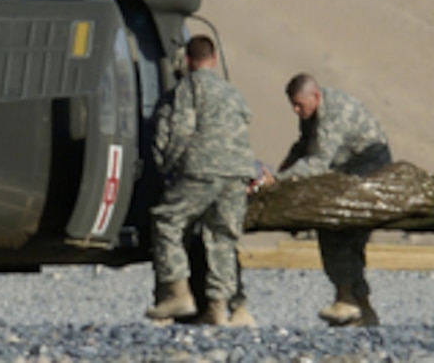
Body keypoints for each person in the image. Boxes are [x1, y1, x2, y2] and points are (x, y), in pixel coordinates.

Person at [255, 73, 392, 327]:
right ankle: (358, 306)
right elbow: (305, 145)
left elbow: (318, 162)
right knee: (341, 232)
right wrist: (282, 169)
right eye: (293, 106)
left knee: (334, 225)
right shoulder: (312, 114)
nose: (296, 111)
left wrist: (280, 181)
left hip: (367, 170)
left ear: (315, 96)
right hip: (346, 169)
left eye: (300, 105)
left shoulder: (333, 114)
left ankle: (348, 298)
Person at [145, 35, 255, 326]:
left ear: (188, 61)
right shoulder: (233, 92)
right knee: (221, 237)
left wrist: (168, 165)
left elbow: (181, 129)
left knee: (167, 220)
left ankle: (177, 293)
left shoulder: (189, 86)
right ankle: (220, 309)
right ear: (214, 59)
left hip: (202, 170)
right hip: (237, 173)